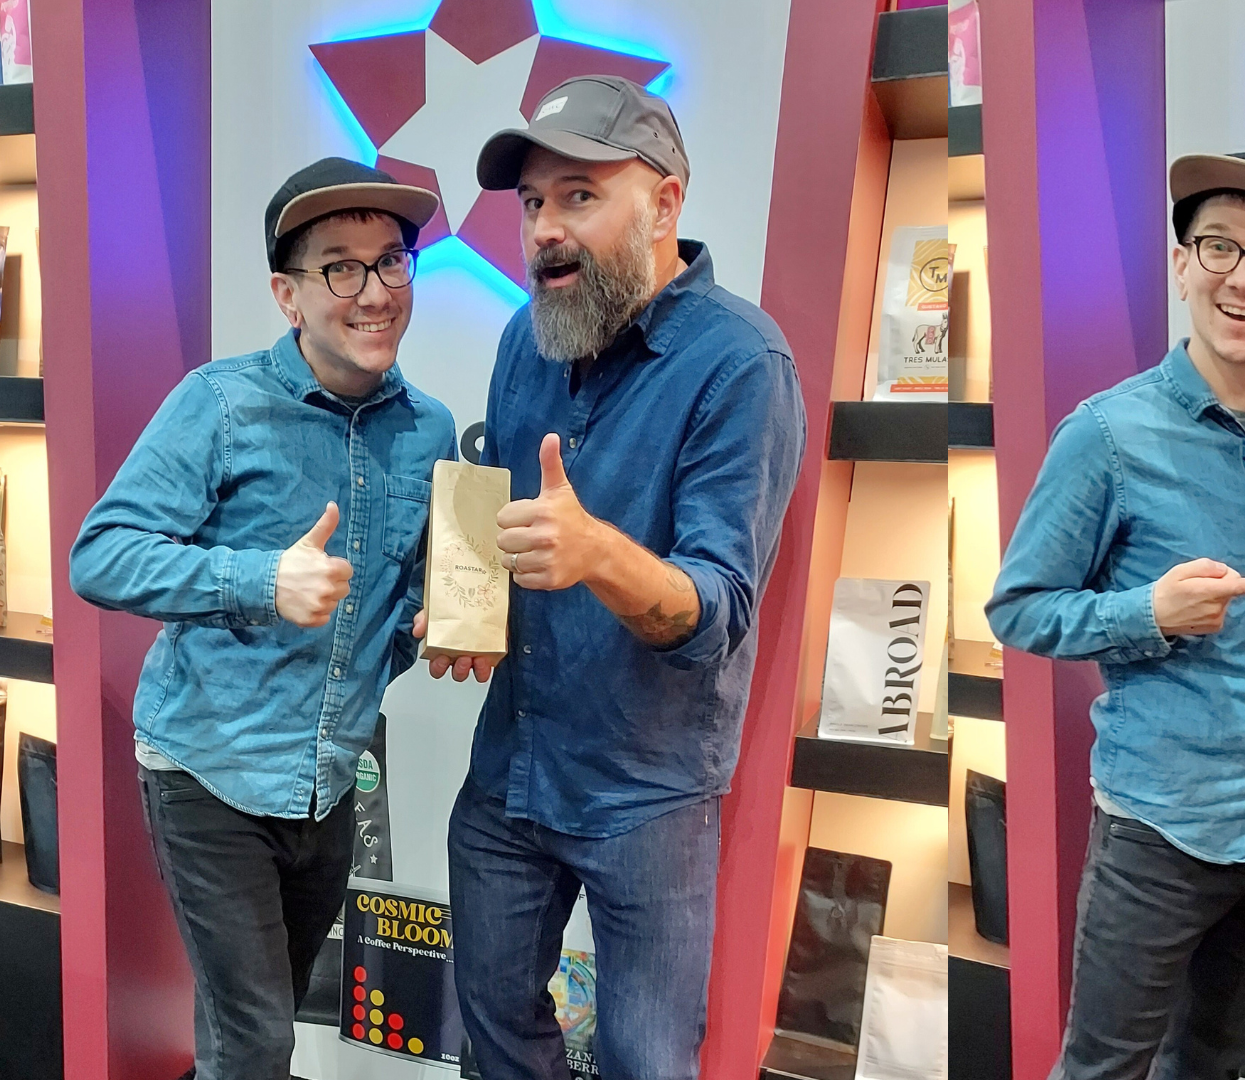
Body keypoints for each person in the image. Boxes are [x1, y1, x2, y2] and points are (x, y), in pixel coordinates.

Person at [422, 76, 805, 1079]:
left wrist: (601, 556)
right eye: (534, 203)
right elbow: (505, 511)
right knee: (495, 1032)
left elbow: (716, 608)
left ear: (665, 202)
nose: (547, 228)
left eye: (580, 196)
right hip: (512, 767)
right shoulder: (524, 339)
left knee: (647, 1059)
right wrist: (463, 600)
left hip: (650, 790)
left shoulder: (742, 364)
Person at [68, 159, 453, 1079]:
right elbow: (101, 553)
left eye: (392, 262)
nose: (374, 291)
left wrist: (425, 624)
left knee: (255, 1026)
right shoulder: (221, 402)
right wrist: (257, 580)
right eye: (340, 268)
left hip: (326, 782)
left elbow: (400, 599)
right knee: (257, 1041)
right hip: (210, 770)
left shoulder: (430, 429)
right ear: (288, 294)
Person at [986, 151, 1245, 1080]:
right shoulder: (1107, 434)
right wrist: (1150, 612)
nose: (1244, 276)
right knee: (1103, 1069)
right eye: (1220, 246)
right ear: (1182, 265)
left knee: (1216, 1066)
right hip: (1159, 833)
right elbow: (1019, 609)